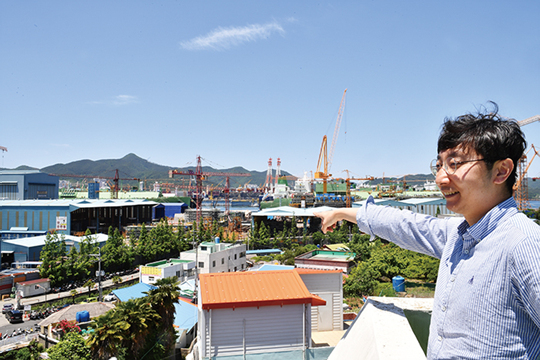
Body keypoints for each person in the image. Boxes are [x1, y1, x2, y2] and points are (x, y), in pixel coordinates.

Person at [316, 105, 540, 359]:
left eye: (454, 164)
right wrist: (341, 213)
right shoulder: (458, 235)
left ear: (501, 171)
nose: (441, 178)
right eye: (439, 166)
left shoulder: (524, 243)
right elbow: (405, 224)